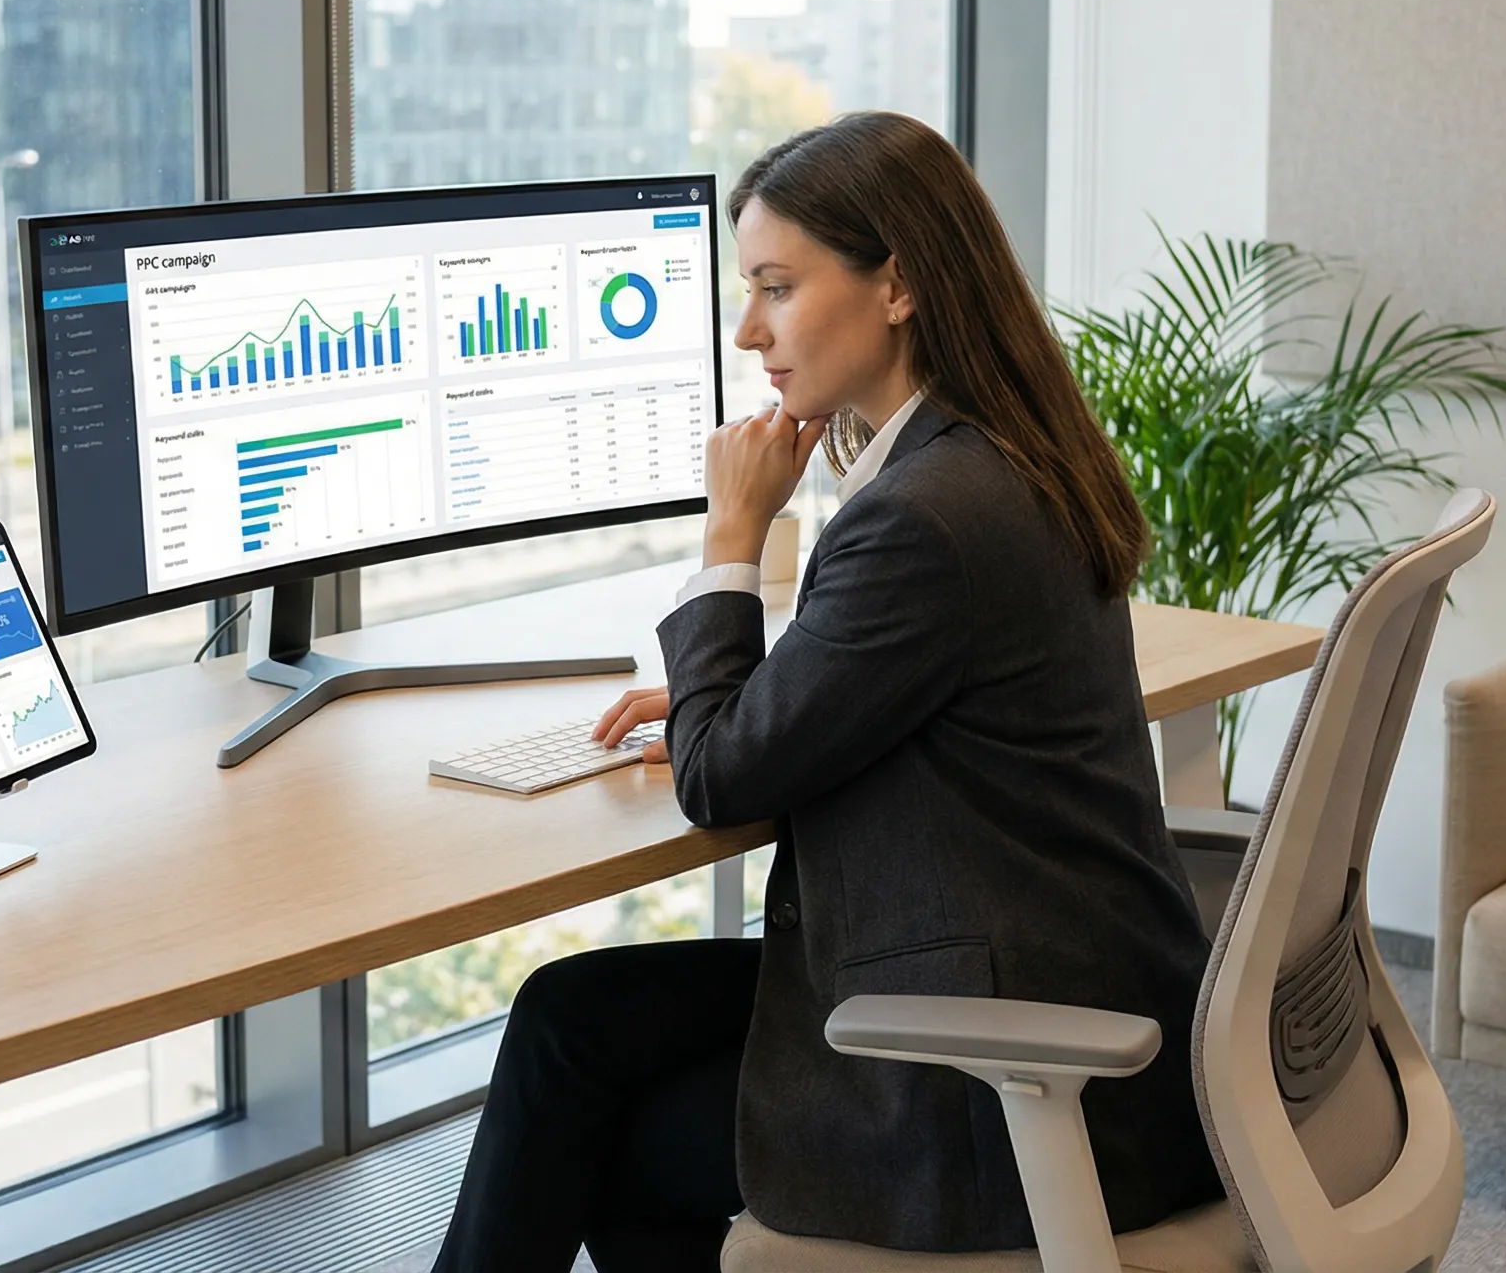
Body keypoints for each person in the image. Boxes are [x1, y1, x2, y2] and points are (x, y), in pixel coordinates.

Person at [432, 112, 1223, 1272]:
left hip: (1006, 1086)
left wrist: (731, 535)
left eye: (775, 287)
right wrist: (742, 696)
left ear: (895, 285)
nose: (747, 330)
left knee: (605, 1137)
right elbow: (875, 689)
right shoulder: (996, 451)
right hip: (1061, 984)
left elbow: (719, 780)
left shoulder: (923, 517)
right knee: (571, 1016)